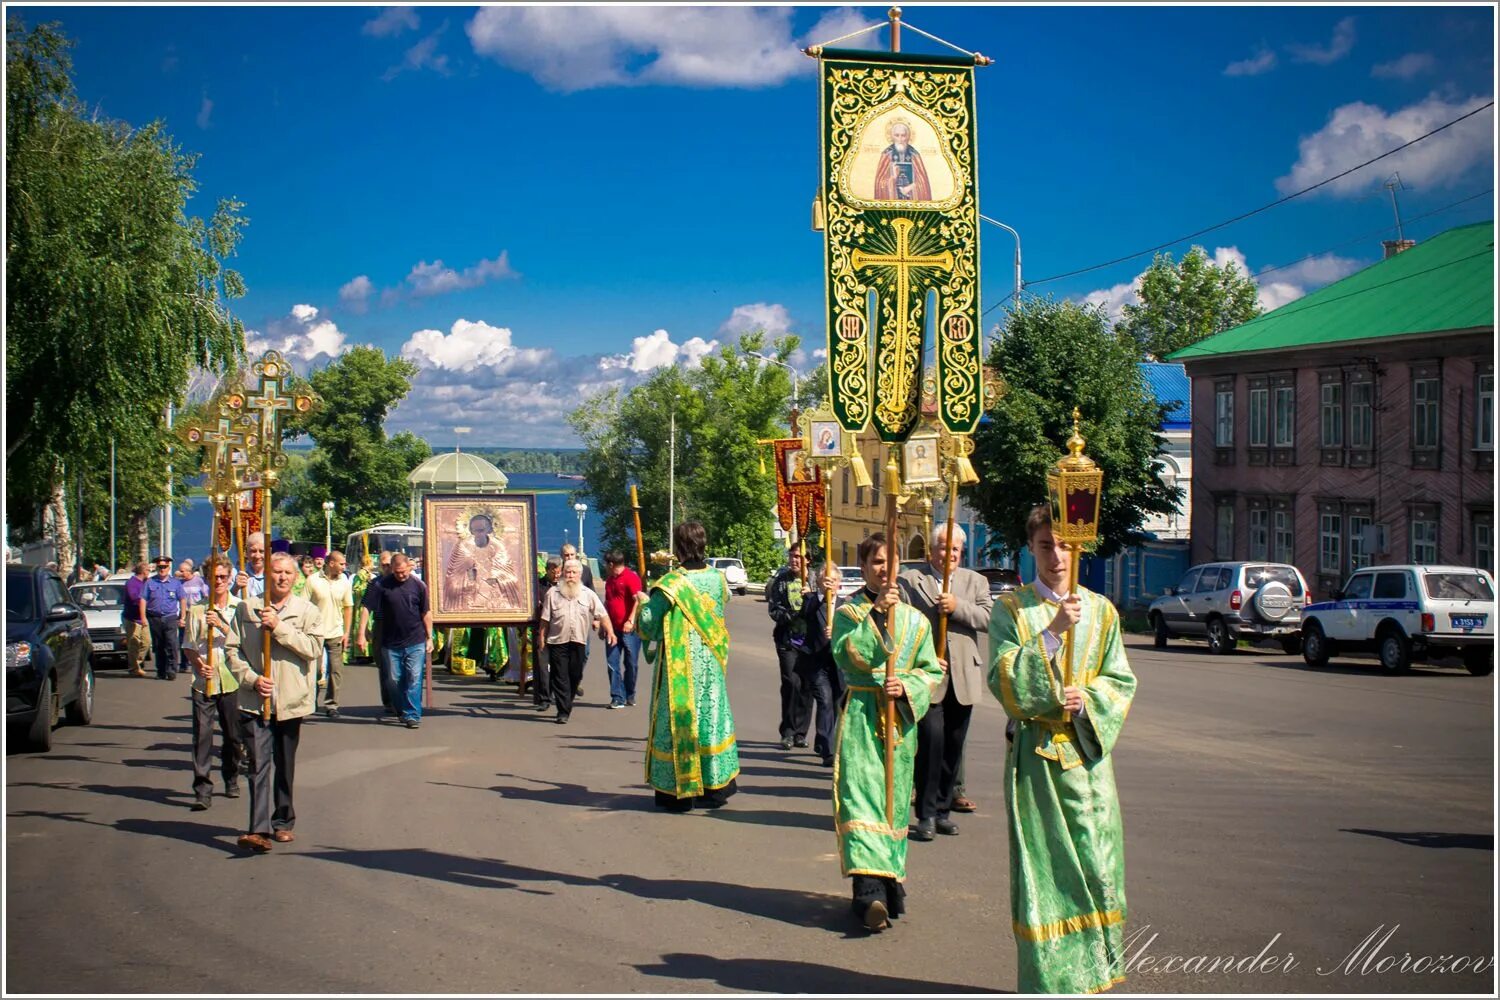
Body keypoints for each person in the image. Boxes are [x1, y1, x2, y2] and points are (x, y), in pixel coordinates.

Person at [989, 504, 1137, 994]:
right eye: (1045, 545)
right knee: (1049, 875)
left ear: (1080, 547)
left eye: (1065, 545)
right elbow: (1003, 679)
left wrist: (1086, 701)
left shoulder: (1103, 610)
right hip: (1037, 766)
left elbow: (1119, 681)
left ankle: (1093, 976)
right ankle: (1050, 981)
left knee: (1097, 864)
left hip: (1090, 768)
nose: (1056, 556)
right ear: (1031, 549)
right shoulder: (1011, 610)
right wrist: (1051, 633)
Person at [831, 532, 945, 932]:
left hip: (899, 725)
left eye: (891, 562)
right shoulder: (848, 613)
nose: (884, 570)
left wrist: (909, 685)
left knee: (893, 806)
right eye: (876, 562)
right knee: (862, 802)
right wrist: (877, 615)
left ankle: (890, 883)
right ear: (863, 567)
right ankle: (868, 895)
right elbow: (851, 656)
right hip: (862, 719)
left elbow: (931, 670)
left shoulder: (915, 620)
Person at [224, 552, 324, 853]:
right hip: (256, 700)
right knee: (258, 763)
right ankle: (258, 829)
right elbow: (232, 651)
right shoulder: (247, 608)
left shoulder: (306, 611)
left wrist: (279, 627)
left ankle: (282, 820)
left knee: (284, 763)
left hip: (291, 701)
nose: (281, 577)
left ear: (296, 578)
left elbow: (312, 649)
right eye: (276, 572)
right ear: (266, 574)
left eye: (287, 573)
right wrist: (253, 679)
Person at [636, 521, 739, 812]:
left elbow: (648, 623)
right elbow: (725, 600)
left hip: (680, 670)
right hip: (712, 665)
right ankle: (715, 789)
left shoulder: (672, 584)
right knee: (711, 722)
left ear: (679, 547)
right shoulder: (717, 579)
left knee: (679, 724)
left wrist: (643, 601)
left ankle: (679, 792)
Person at [899, 523, 993, 841]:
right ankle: (924, 814)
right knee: (930, 743)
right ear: (931, 550)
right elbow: (900, 622)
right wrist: (920, 656)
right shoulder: (911, 580)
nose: (948, 553)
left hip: (963, 676)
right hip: (927, 677)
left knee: (953, 746)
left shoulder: (975, 581)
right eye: (942, 547)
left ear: (961, 553)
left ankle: (942, 811)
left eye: (954, 549)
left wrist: (958, 607)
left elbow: (990, 619)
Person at [183, 555, 246, 809]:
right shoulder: (197, 609)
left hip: (231, 678)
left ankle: (231, 777)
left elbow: (242, 642)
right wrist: (199, 664)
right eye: (214, 577)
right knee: (202, 736)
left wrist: (219, 623)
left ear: (230, 578)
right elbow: (188, 645)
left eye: (223, 577)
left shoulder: (239, 607)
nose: (219, 581)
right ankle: (202, 789)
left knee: (232, 735)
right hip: (204, 681)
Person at [356, 553, 432, 729]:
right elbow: (367, 607)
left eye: (404, 572)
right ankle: (400, 708)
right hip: (390, 641)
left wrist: (430, 637)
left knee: (414, 677)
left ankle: (412, 714)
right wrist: (361, 633)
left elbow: (426, 613)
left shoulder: (419, 586)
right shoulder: (380, 584)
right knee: (393, 679)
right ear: (391, 568)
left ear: (409, 567)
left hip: (415, 639)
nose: (401, 575)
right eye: (397, 572)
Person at [540, 558, 615, 724]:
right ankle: (563, 711)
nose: (570, 576)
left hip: (578, 641)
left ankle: (567, 700)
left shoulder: (588, 594)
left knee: (575, 675)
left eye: (574, 573)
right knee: (560, 677)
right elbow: (545, 619)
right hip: (557, 641)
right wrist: (541, 638)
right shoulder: (553, 594)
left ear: (580, 575)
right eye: (568, 572)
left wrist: (610, 632)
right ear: (562, 574)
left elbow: (602, 614)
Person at [797, 562, 846, 768]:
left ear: (839, 585)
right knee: (825, 701)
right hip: (817, 663)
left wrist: (838, 633)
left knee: (836, 704)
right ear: (819, 582)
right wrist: (818, 595)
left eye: (833, 581)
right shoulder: (811, 601)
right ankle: (827, 750)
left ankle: (824, 739)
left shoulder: (846, 605)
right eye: (826, 581)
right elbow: (805, 614)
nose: (830, 585)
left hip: (838, 663)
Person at [765, 548, 813, 751]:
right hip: (787, 640)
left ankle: (800, 733)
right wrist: (791, 615)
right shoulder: (781, 581)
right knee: (791, 683)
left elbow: (823, 604)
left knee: (806, 686)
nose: (795, 560)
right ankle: (787, 732)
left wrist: (810, 598)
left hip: (810, 641)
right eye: (792, 556)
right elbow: (774, 610)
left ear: (808, 560)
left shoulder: (814, 580)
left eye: (799, 557)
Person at [307, 549, 354, 719]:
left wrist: (347, 632)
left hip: (336, 632)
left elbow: (348, 607)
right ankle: (311, 701)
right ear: (331, 563)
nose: (344, 567)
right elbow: (303, 605)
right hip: (315, 633)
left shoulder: (345, 582)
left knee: (335, 671)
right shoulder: (312, 580)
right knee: (316, 671)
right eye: (341, 563)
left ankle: (332, 704)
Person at [443, 512, 522, 613]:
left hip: (492, 588)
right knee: (455, 586)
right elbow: (453, 575)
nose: (479, 534)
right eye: (475, 530)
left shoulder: (497, 546)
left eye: (481, 530)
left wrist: (496, 577)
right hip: (469, 588)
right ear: (471, 531)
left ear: (489, 530)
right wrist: (470, 578)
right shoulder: (463, 546)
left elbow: (508, 574)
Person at [602, 550, 643, 709]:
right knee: (612, 662)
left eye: (606, 564)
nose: (606, 567)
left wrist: (631, 620)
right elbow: (607, 602)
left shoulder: (630, 577)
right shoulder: (610, 581)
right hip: (612, 629)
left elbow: (638, 600)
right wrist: (602, 623)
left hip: (630, 630)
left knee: (631, 663)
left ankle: (629, 693)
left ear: (611, 564)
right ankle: (617, 697)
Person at [141, 555, 188, 681]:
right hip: (154, 618)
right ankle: (161, 671)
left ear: (169, 567)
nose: (162, 569)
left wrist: (182, 617)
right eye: (160, 567)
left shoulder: (175, 583)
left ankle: (171, 670)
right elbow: (143, 600)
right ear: (157, 567)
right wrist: (143, 618)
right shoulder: (150, 582)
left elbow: (183, 599)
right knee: (159, 645)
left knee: (172, 644)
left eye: (165, 567)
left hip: (170, 617)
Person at [873, 119, 932, 201]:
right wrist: (893, 178)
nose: (900, 139)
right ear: (892, 136)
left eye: (903, 135)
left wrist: (911, 187)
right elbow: (880, 185)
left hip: (911, 202)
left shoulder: (915, 155)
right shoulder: (886, 155)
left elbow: (923, 184)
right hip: (892, 204)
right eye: (897, 135)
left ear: (908, 137)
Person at [531, 558, 562, 711]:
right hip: (542, 630)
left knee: (558, 666)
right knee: (543, 666)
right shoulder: (538, 586)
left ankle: (559, 694)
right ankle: (544, 698)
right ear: (548, 570)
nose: (556, 575)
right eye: (553, 572)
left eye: (558, 572)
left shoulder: (564, 586)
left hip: (559, 632)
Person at [124, 561, 151, 677]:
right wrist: (146, 602)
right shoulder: (132, 583)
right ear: (144, 571)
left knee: (146, 642)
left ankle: (137, 662)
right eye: (148, 570)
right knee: (134, 643)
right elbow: (135, 599)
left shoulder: (146, 583)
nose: (149, 572)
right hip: (132, 618)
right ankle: (133, 668)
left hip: (143, 618)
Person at [234, 532, 267, 598]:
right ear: (246, 553)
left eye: (261, 551)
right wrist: (235, 588)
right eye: (253, 551)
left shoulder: (274, 575)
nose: (257, 556)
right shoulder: (236, 573)